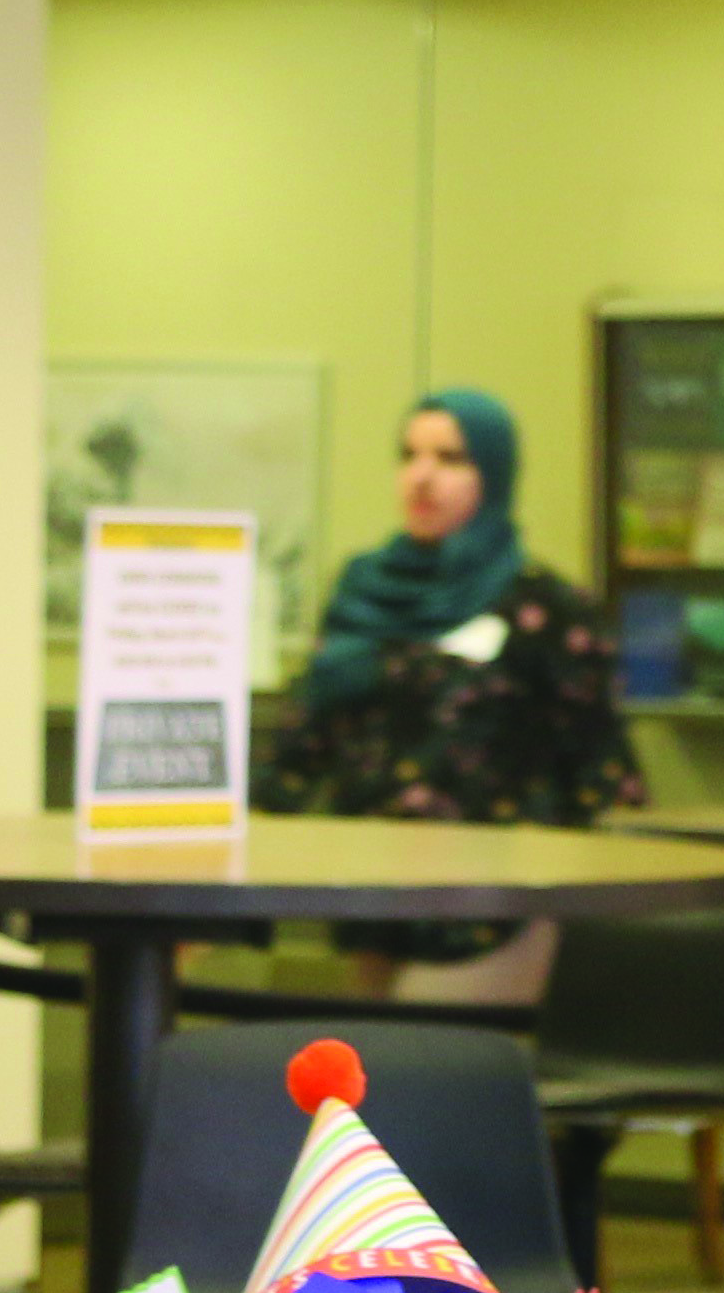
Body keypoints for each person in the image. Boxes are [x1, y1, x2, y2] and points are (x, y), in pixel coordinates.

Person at [262, 388, 643, 1002]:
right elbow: (307, 737)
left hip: (491, 908)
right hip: (370, 901)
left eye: (451, 458)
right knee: (375, 1088)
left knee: (440, 1076)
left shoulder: (542, 605)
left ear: (493, 475)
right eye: (410, 454)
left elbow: (601, 770)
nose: (423, 476)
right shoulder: (362, 591)